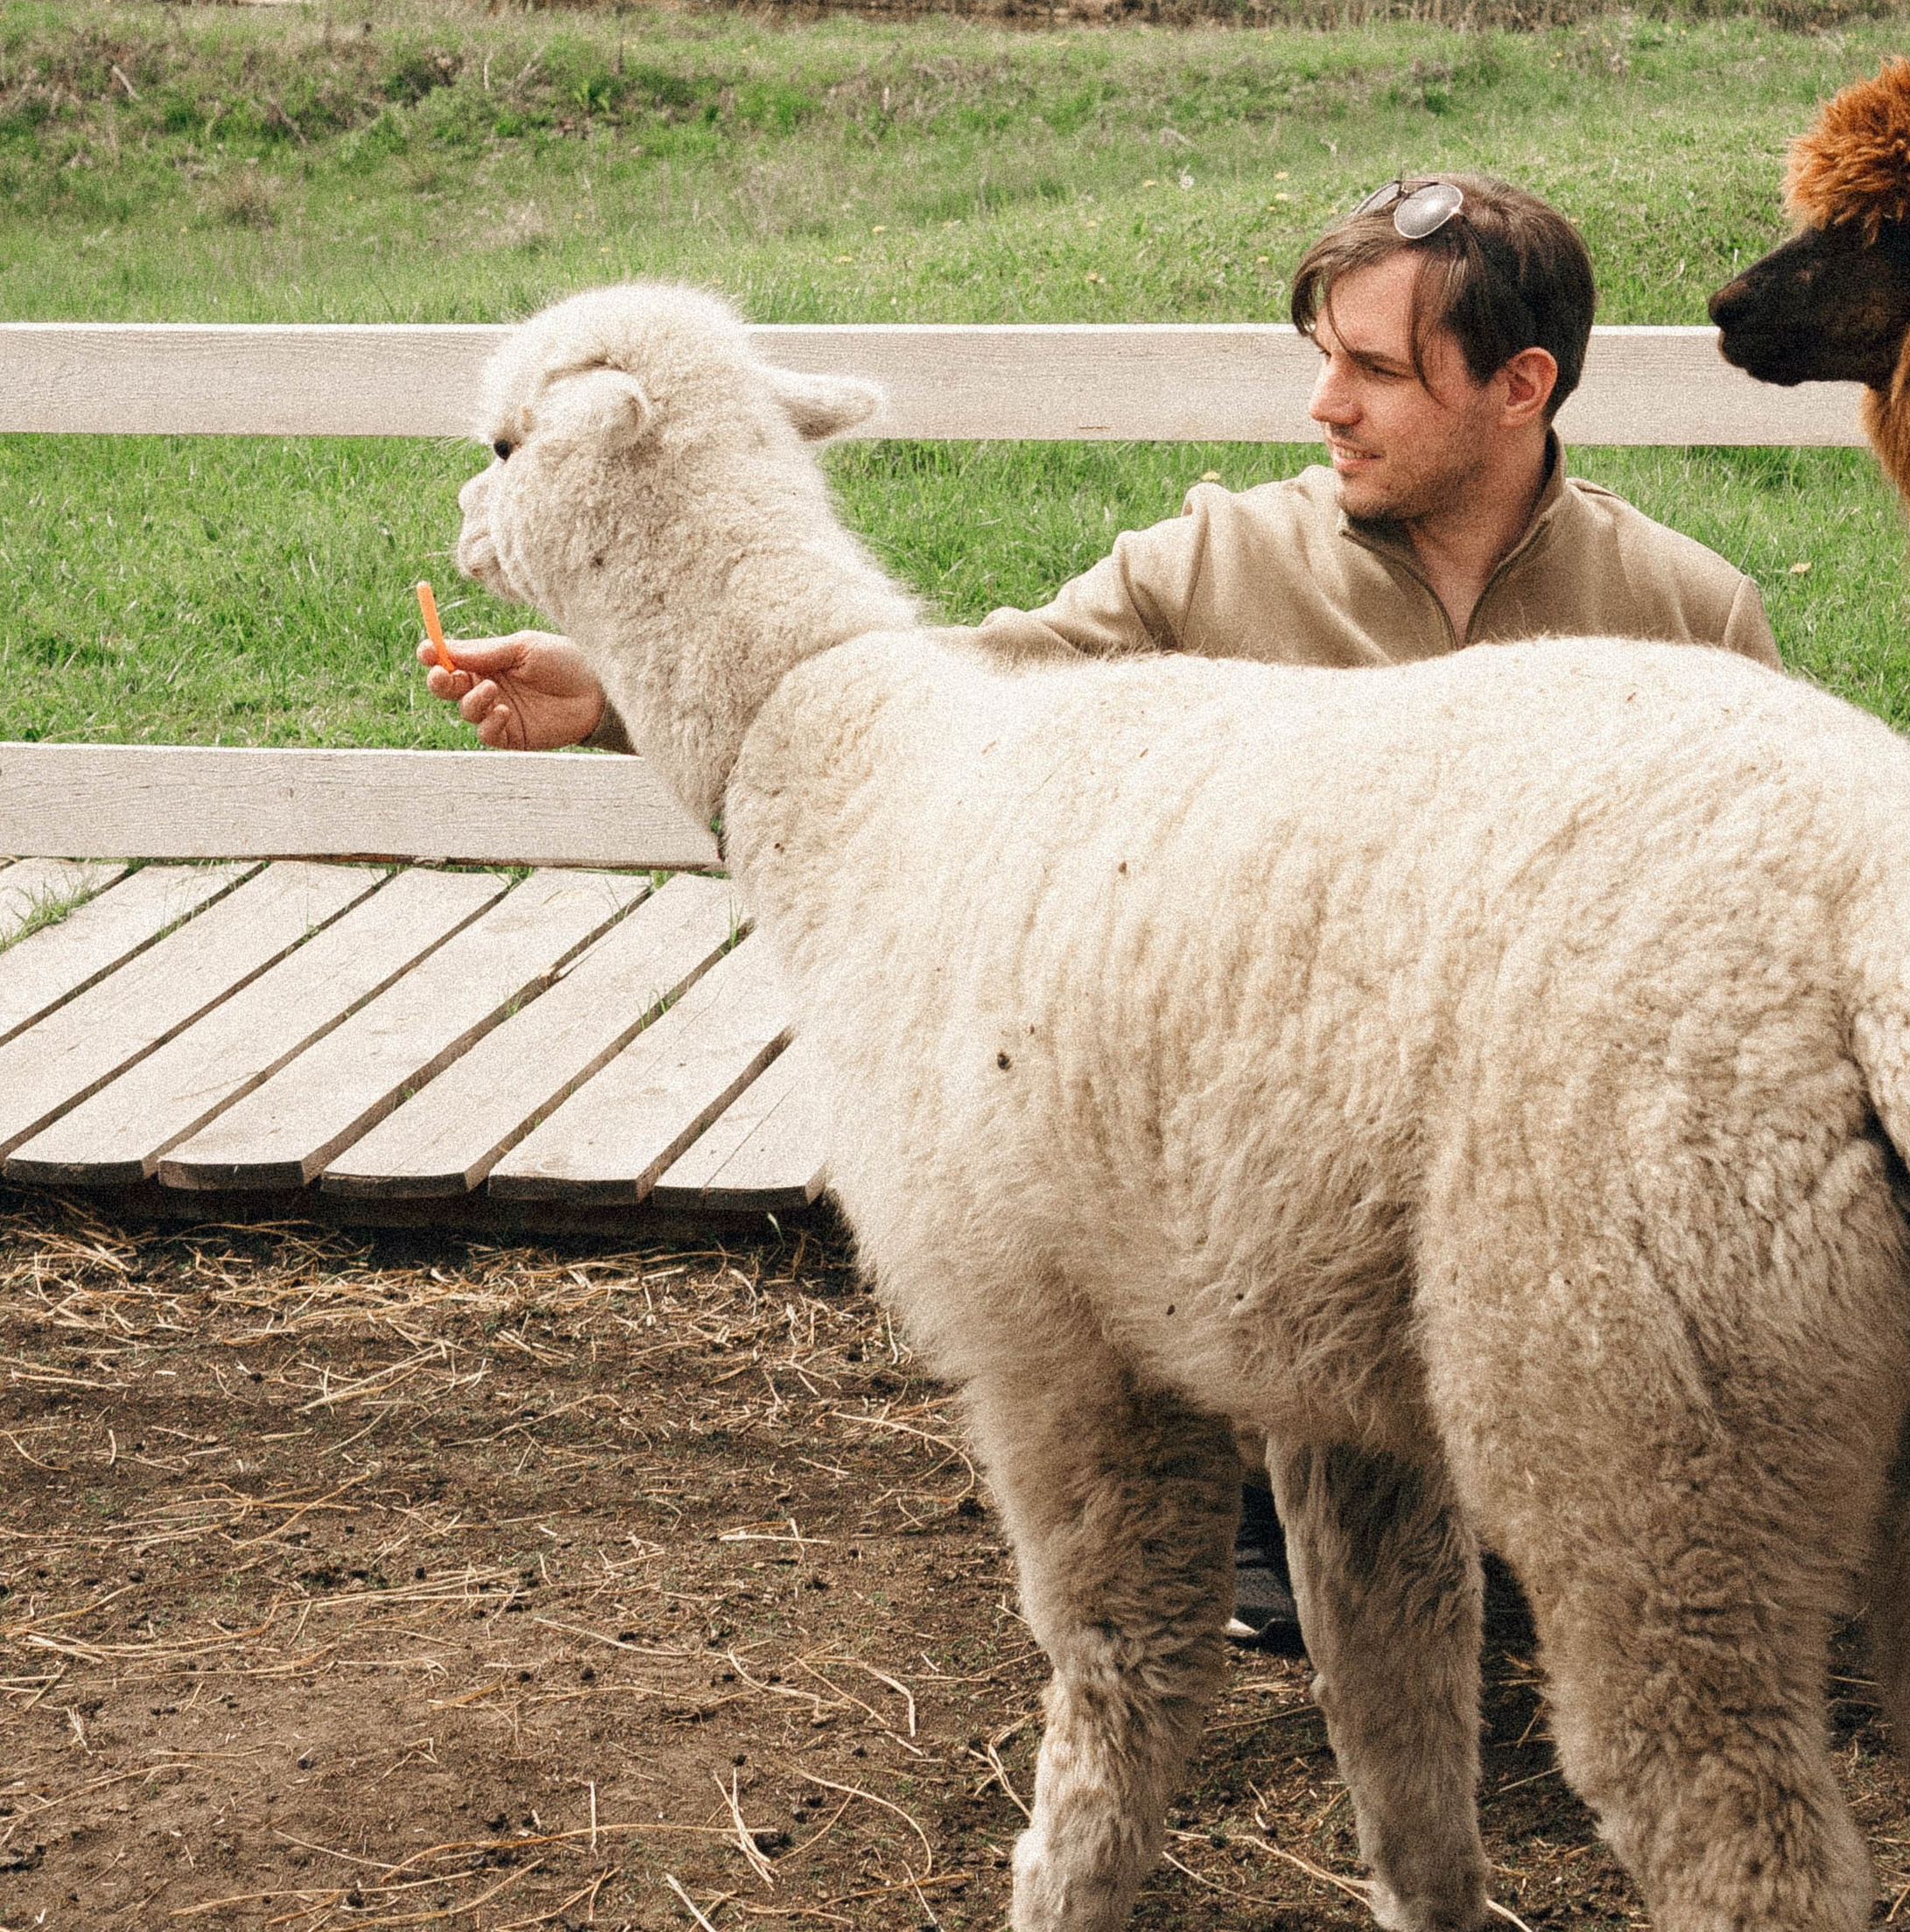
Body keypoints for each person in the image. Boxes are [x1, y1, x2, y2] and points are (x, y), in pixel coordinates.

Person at [419, 172, 1777, 1644]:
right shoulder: (1214, 566)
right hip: (1317, 1231)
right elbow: (944, 711)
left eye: (1375, 369)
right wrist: (622, 691)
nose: (1325, 405)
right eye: (1321, 355)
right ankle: (1274, 1488)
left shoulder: (1683, 618)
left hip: (1558, 1218)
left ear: (1520, 386)